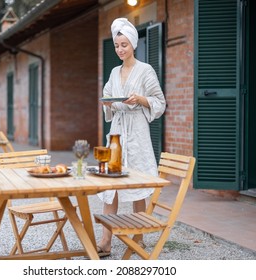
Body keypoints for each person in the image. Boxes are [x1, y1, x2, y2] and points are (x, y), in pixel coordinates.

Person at [97, 18, 166, 257]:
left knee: (138, 182)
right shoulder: (114, 72)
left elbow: (160, 102)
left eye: (124, 45)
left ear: (133, 45)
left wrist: (140, 99)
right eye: (117, 45)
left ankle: (139, 236)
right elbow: (107, 96)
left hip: (136, 131)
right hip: (117, 132)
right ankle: (106, 239)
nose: (120, 49)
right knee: (111, 185)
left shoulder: (146, 70)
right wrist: (111, 104)